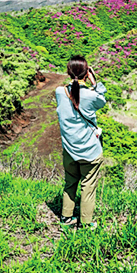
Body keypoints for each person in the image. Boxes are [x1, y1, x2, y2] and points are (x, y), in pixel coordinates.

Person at [55, 55, 107, 229]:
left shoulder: (59, 92)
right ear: (87, 73)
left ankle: (66, 218)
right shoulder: (91, 96)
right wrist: (94, 82)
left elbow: (72, 92)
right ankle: (86, 223)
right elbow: (102, 99)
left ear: (68, 72)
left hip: (69, 150)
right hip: (90, 152)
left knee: (70, 183)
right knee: (88, 186)